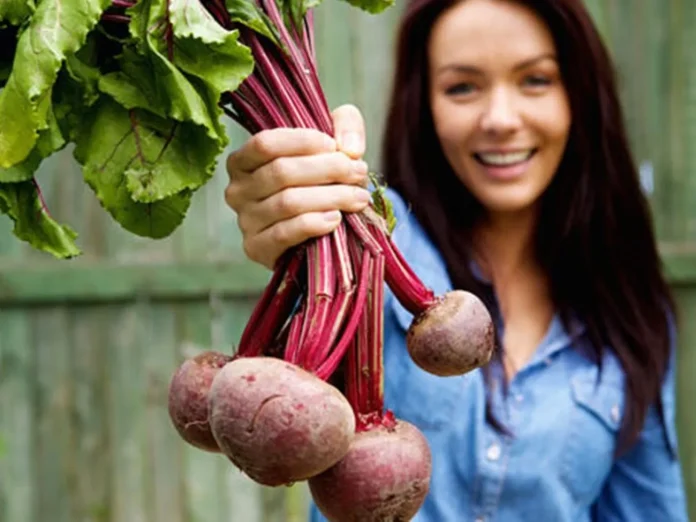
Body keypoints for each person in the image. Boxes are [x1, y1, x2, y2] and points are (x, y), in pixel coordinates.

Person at [224, 0, 689, 520]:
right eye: (462, 87)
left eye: (535, 80)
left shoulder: (628, 309)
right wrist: (292, 205)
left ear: (580, 94)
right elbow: (307, 228)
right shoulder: (367, 237)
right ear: (424, 106)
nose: (500, 120)